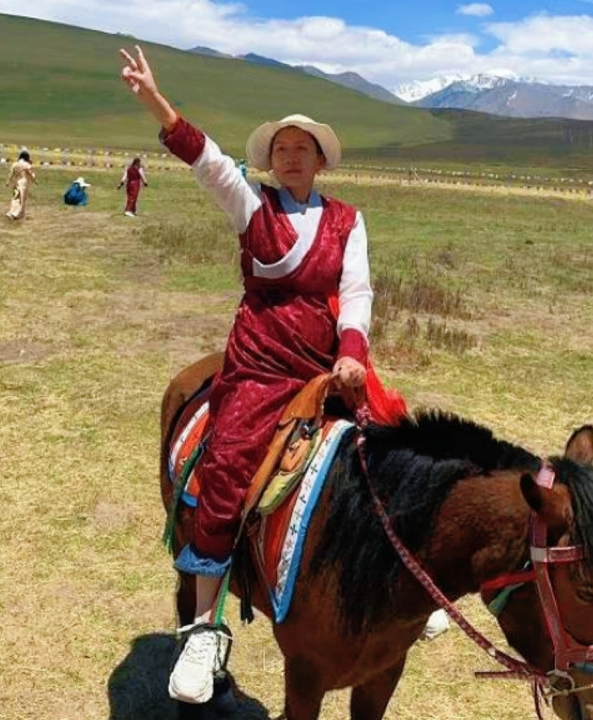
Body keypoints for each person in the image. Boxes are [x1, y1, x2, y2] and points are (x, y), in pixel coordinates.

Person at [120, 44, 408, 706]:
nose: (291, 156)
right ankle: (203, 627)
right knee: (226, 465)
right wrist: (158, 104)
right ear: (271, 160)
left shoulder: (348, 221)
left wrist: (352, 353)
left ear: (321, 159)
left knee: (391, 450)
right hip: (261, 362)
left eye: (303, 147)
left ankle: (398, 592)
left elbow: (357, 291)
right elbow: (209, 162)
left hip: (325, 362)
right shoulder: (253, 205)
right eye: (282, 148)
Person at [5, 150, 36, 220]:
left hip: (16, 182)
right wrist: (34, 180)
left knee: (15, 198)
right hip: (23, 183)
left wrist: (8, 181)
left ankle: (11, 212)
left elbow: (11, 174)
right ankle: (16, 214)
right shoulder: (26, 164)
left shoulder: (15, 164)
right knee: (22, 200)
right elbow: (30, 173)